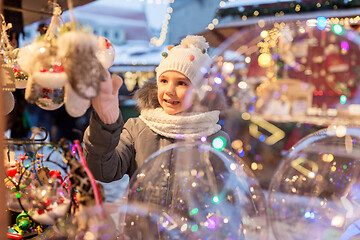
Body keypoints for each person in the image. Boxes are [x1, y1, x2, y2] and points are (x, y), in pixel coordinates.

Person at [83, 35, 231, 184]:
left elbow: (225, 192)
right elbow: (103, 171)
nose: (169, 91)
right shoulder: (136, 129)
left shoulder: (215, 139)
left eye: (181, 83)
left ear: (200, 91)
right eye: (164, 80)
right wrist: (105, 125)